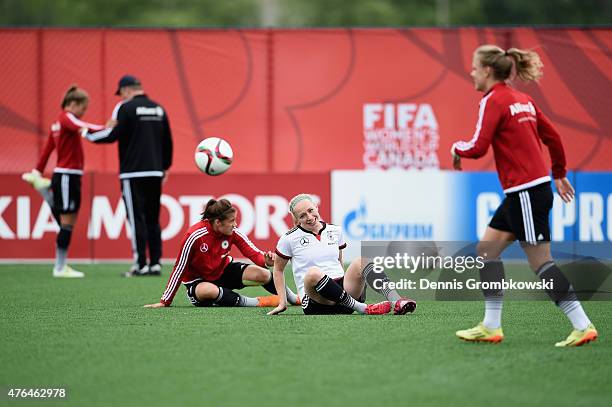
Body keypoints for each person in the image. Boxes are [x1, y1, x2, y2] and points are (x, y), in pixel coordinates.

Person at [451, 45, 598, 347]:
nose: (472, 72)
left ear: (488, 71)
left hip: (526, 194)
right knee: (486, 251)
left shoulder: (493, 100)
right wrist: (558, 173)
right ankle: (491, 326)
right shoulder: (523, 100)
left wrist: (456, 148)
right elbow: (553, 138)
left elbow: (477, 147)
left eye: (475, 67)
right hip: (524, 193)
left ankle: (582, 325)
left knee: (541, 263)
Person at [267, 194, 417, 316]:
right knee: (312, 273)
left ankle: (397, 301)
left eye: (311, 210)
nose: (309, 216)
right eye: (302, 215)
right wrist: (282, 302)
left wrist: (344, 286)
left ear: (317, 207)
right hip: (316, 303)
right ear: (296, 220)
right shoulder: (288, 239)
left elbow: (338, 261)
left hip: (342, 296)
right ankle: (364, 308)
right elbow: (278, 270)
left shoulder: (335, 230)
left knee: (362, 260)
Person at [86, 75, 173, 277]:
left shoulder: (124, 108)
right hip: (154, 171)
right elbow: (167, 140)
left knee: (136, 218)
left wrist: (86, 133)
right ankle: (156, 263)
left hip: (133, 172)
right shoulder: (158, 108)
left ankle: (140, 264)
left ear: (126, 90)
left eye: (121, 93)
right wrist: (165, 167)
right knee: (153, 218)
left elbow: (111, 134)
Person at [144, 198, 300, 308]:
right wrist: (165, 301)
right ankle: (257, 302)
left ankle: (293, 298)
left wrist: (266, 261)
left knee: (264, 274)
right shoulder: (194, 236)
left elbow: (253, 253)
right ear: (218, 222)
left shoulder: (233, 232)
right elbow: (179, 268)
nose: (235, 224)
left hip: (223, 271)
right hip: (198, 282)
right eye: (231, 221)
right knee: (209, 291)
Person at [22, 85, 107, 278]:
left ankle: (45, 190)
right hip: (68, 175)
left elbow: (47, 150)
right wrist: (106, 128)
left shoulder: (57, 124)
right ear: (73, 104)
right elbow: (81, 126)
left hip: (67, 176)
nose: (83, 114)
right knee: (67, 222)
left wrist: (37, 171)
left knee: (67, 221)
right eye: (83, 108)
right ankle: (60, 267)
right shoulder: (66, 117)